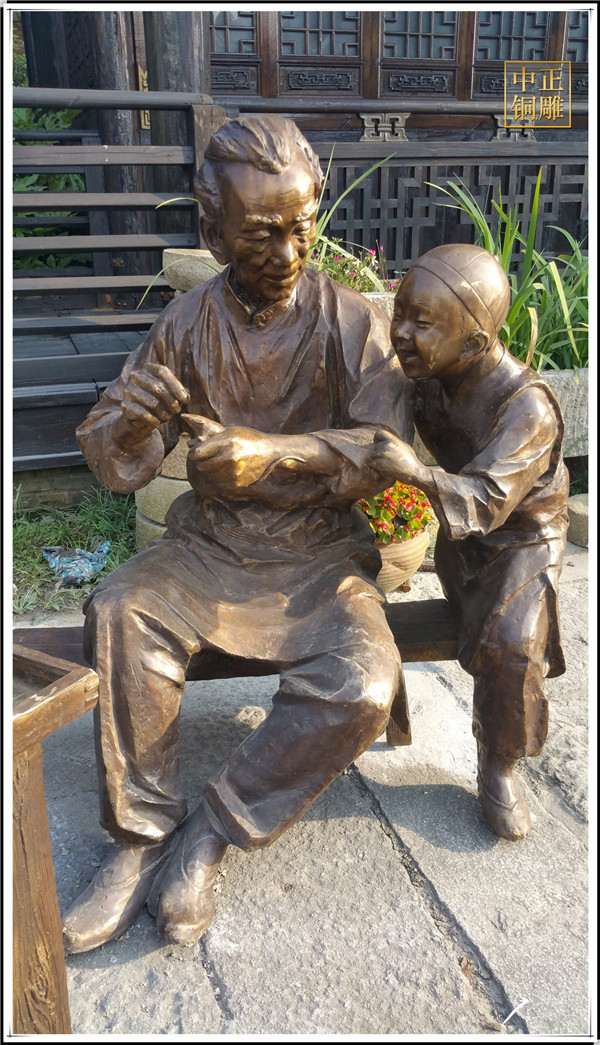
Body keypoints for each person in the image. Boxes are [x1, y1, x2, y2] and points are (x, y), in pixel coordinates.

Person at [62, 115, 413, 953]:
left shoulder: (348, 320)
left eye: (301, 226)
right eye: (259, 233)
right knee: (122, 609)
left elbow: (385, 450)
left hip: (318, 554)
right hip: (210, 548)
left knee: (364, 682)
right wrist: (129, 420)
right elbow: (117, 463)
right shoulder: (186, 322)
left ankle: (209, 830)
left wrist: (274, 453)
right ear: (214, 230)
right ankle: (142, 834)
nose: (287, 252)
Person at [369, 243, 569, 841]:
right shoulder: (426, 374)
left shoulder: (527, 408)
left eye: (421, 323)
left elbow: (485, 498)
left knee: (512, 644)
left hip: (522, 538)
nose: (401, 333)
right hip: (463, 536)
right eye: (400, 313)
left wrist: (413, 473)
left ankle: (499, 764)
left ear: (475, 342)